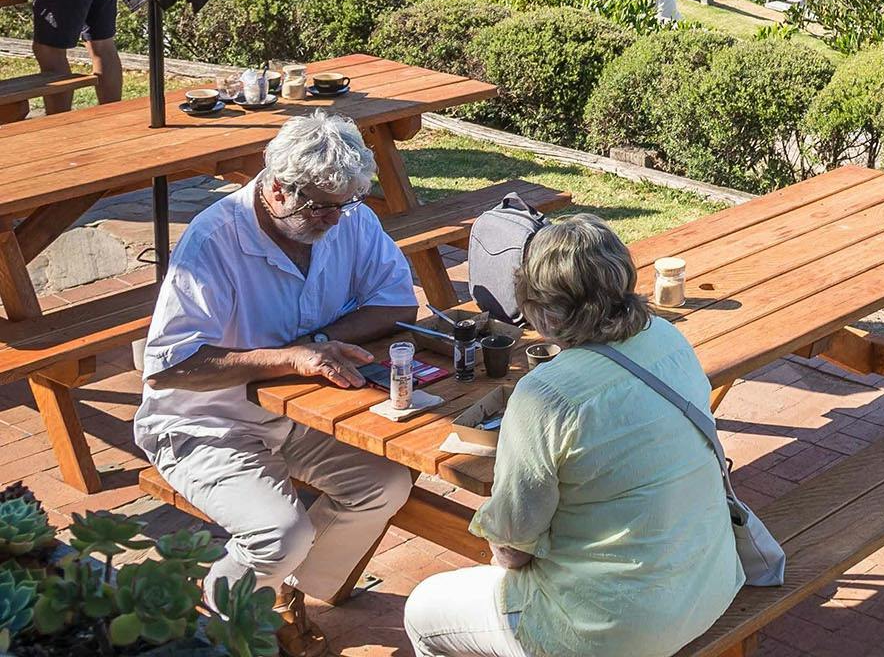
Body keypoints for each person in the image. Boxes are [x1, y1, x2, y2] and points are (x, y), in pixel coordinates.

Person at [135, 114, 419, 657]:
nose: (335, 221)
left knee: (384, 485)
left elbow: (397, 301)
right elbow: (170, 366)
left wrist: (315, 344)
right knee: (279, 535)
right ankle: (217, 622)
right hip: (204, 423)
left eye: (345, 205)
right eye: (320, 207)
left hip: (294, 415)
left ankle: (279, 590)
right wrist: (291, 357)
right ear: (277, 186)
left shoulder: (346, 216)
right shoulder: (214, 239)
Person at [404, 215, 742, 657]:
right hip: (707, 586)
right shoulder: (666, 335)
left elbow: (512, 544)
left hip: (610, 626)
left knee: (423, 611)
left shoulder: (546, 393)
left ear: (540, 306)